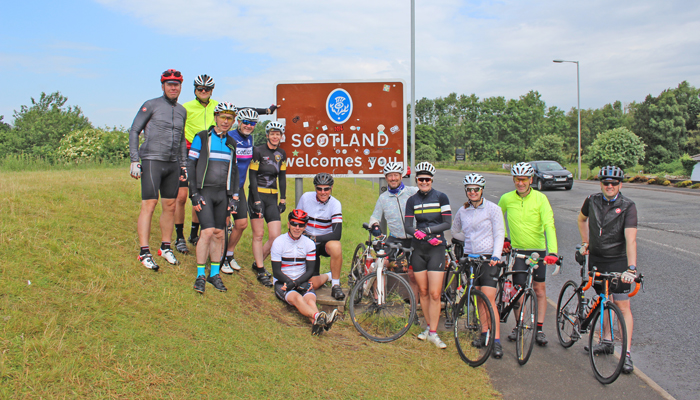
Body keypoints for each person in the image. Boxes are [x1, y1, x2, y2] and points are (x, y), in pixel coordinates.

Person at [577, 165, 639, 373]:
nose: (609, 186)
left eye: (614, 183)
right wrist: (586, 242)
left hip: (618, 261)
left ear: (620, 185)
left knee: (622, 306)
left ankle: (626, 354)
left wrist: (631, 268)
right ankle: (606, 341)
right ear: (601, 184)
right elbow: (581, 219)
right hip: (596, 259)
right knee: (604, 301)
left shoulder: (628, 206)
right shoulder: (591, 200)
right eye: (606, 183)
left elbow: (631, 239)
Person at [129, 69, 188, 271]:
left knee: (170, 205)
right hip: (152, 159)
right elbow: (134, 130)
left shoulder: (182, 111)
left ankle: (165, 247)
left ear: (181, 86)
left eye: (177, 84)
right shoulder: (151, 105)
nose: (173, 87)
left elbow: (181, 139)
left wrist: (183, 164)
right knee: (150, 204)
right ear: (162, 85)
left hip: (172, 163)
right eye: (169, 84)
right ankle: (144, 251)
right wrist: (134, 160)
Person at [498, 162, 559, 346]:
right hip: (517, 251)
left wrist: (553, 251)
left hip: (537, 251)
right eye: (517, 179)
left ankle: (539, 328)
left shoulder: (541, 199)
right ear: (514, 179)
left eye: (524, 179)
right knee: (518, 291)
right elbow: (498, 217)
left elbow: (549, 225)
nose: (520, 183)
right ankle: (519, 326)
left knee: (539, 290)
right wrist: (504, 238)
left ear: (531, 180)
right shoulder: (506, 198)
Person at [451, 173, 506, 358]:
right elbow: (454, 230)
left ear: (482, 190)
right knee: (478, 298)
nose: (472, 192)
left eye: (476, 189)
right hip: (471, 259)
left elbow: (499, 233)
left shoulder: (493, 209)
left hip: (489, 258)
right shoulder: (463, 210)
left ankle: (496, 341)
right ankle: (484, 333)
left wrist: (496, 255)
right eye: (469, 190)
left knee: (489, 298)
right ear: (466, 191)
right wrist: (468, 240)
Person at [187, 102, 240, 293]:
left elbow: (234, 171)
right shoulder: (202, 137)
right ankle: (200, 274)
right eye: (223, 117)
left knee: (219, 233)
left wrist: (234, 197)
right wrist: (194, 193)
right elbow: (191, 165)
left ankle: (214, 274)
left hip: (222, 194)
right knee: (207, 232)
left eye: (230, 118)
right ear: (216, 117)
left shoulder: (231, 143)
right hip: (205, 192)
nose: (226, 122)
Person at [222, 107, 280, 277]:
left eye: (252, 123)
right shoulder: (229, 137)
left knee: (241, 224)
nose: (248, 126)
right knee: (225, 224)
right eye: (245, 122)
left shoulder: (249, 140)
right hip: (224, 187)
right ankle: (221, 258)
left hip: (238, 188)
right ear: (238, 122)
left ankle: (229, 254)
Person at [403, 162, 452, 349]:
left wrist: (429, 232)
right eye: (421, 179)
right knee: (422, 291)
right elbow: (408, 226)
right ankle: (428, 328)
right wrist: (419, 234)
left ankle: (433, 332)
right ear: (416, 180)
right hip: (419, 248)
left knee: (434, 292)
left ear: (432, 180)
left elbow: (447, 223)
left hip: (436, 248)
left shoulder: (441, 197)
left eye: (427, 179)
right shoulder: (412, 200)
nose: (424, 182)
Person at [271, 209, 338, 335]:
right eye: (294, 224)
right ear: (288, 224)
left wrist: (297, 282)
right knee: (297, 299)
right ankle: (321, 317)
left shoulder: (309, 243)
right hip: (283, 282)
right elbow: (276, 272)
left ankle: (316, 322)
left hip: (301, 281)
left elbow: (310, 270)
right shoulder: (279, 242)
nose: (297, 228)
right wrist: (290, 283)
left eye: (301, 225)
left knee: (311, 301)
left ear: (305, 227)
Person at [175, 74, 218, 254]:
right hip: (186, 151)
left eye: (206, 89)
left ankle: (194, 234)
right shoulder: (185, 108)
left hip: (205, 155)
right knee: (182, 196)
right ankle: (179, 237)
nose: (203, 92)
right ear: (194, 90)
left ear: (211, 91)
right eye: (200, 89)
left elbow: (238, 110)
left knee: (199, 196)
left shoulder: (217, 106)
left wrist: (267, 110)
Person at [368, 161, 419, 294]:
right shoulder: (383, 198)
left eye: (396, 175)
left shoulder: (413, 192)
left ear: (401, 176)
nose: (393, 178)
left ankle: (414, 307)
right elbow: (375, 217)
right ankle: (378, 300)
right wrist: (375, 226)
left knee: (413, 274)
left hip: (415, 237)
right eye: (390, 176)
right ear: (386, 178)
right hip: (395, 238)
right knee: (381, 263)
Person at [296, 172, 345, 300]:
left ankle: (335, 285)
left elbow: (337, 234)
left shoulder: (335, 204)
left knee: (336, 246)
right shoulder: (306, 198)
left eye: (326, 189)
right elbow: (297, 220)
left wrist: (315, 239)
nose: (323, 192)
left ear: (331, 188)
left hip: (323, 243)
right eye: (319, 188)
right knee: (312, 285)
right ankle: (327, 276)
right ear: (315, 188)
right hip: (307, 244)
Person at [248, 121, 287, 281]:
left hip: (273, 197)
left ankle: (258, 263)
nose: (275, 136)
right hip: (257, 196)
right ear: (267, 135)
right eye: (272, 133)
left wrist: (283, 199)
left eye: (278, 134)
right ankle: (260, 269)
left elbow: (282, 177)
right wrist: (256, 200)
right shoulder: (258, 151)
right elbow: (252, 176)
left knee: (275, 237)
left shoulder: (282, 154)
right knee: (258, 235)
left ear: (281, 136)